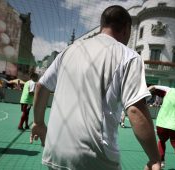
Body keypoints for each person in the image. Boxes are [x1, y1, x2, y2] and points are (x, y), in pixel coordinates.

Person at [29, 5, 160, 170]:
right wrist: (154, 158)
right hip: (94, 157)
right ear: (127, 29)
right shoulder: (129, 56)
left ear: (101, 26)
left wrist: (38, 123)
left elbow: (41, 86)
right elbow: (135, 110)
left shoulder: (69, 50)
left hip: (54, 152)